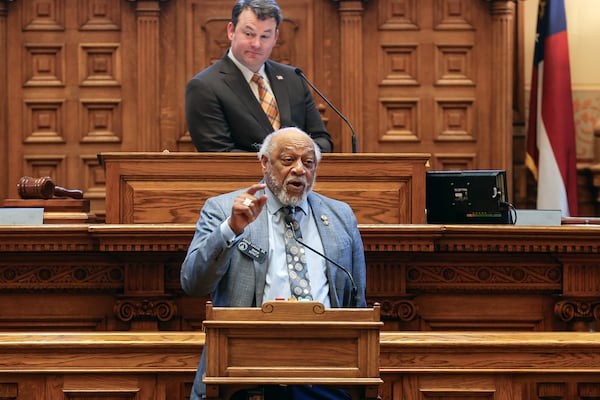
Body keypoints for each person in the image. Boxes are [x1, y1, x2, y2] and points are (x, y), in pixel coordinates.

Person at [181, 127, 366, 400]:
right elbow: (193, 283)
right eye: (288, 160)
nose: (299, 170)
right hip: (247, 369)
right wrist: (231, 229)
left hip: (327, 369)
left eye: (308, 162)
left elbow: (356, 301)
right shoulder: (223, 209)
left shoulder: (340, 215)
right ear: (265, 163)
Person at [185, 0, 333, 153]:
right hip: (244, 177)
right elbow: (219, 153)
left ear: (275, 37)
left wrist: (297, 162)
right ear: (231, 31)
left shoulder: (294, 78)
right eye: (249, 34)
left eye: (265, 36)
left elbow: (322, 140)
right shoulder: (204, 86)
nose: (256, 44)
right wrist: (282, 164)